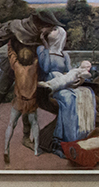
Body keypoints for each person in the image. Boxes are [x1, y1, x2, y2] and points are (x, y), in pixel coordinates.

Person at [0, 9, 61, 141]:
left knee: (29, 100)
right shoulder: (15, 26)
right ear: (39, 24)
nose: (51, 30)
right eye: (48, 26)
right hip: (13, 66)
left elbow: (50, 52)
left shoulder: (44, 35)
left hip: (32, 69)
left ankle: (25, 136)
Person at [36, 26, 97, 156]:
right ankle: (60, 140)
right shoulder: (42, 49)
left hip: (64, 81)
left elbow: (69, 72)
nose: (51, 31)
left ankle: (78, 136)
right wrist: (46, 46)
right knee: (68, 98)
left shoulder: (65, 54)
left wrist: (77, 78)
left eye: (55, 31)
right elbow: (45, 68)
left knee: (87, 93)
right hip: (48, 85)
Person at [3, 42, 40, 164]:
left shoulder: (16, 66)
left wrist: (10, 43)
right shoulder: (35, 66)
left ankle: (6, 149)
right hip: (31, 102)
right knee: (34, 123)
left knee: (10, 124)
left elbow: (11, 53)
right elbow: (38, 54)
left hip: (19, 101)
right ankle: (35, 150)